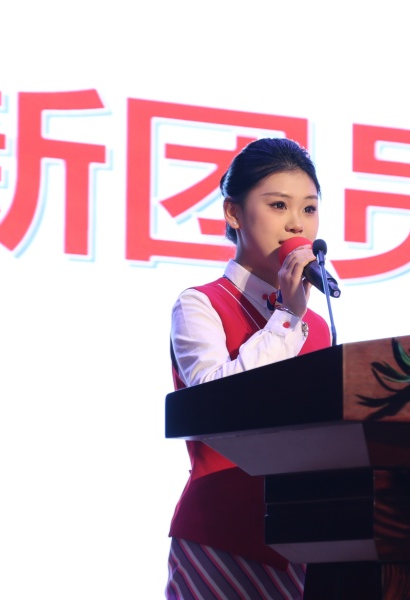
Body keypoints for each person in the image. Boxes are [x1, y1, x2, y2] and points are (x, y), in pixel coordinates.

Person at [165, 138, 332, 600]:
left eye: (309, 208)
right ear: (233, 213)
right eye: (278, 205)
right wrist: (287, 317)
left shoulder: (317, 326)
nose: (296, 223)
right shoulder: (201, 304)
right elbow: (215, 403)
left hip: (305, 543)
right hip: (221, 536)